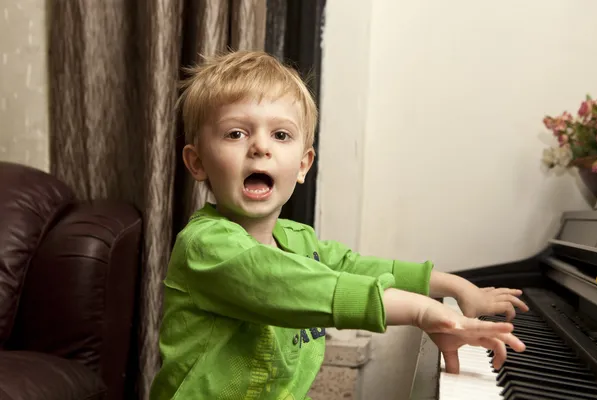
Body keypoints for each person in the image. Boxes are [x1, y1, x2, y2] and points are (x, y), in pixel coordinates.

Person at [149, 50, 527, 400]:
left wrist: (454, 286)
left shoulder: (298, 239)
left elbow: (355, 268)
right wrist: (422, 312)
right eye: (236, 133)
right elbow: (293, 284)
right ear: (197, 163)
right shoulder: (206, 246)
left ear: (302, 164)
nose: (260, 147)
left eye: (280, 135)